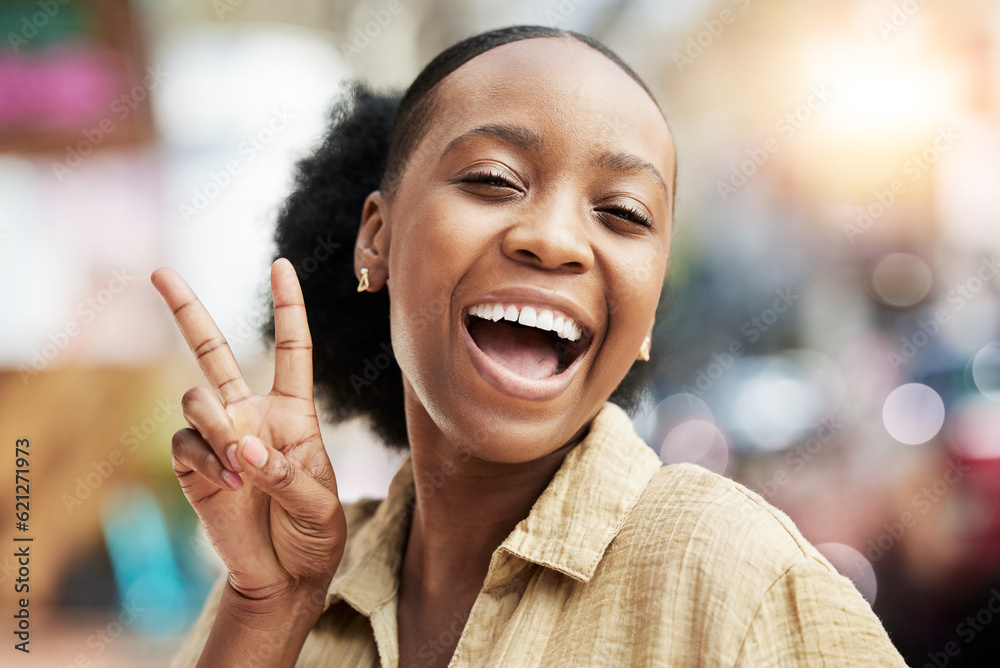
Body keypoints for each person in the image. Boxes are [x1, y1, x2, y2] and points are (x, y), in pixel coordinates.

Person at [153, 25, 907, 668]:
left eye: (622, 213)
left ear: (648, 310)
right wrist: (271, 611)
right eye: (492, 179)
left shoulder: (737, 577)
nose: (553, 240)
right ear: (376, 240)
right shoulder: (284, 583)